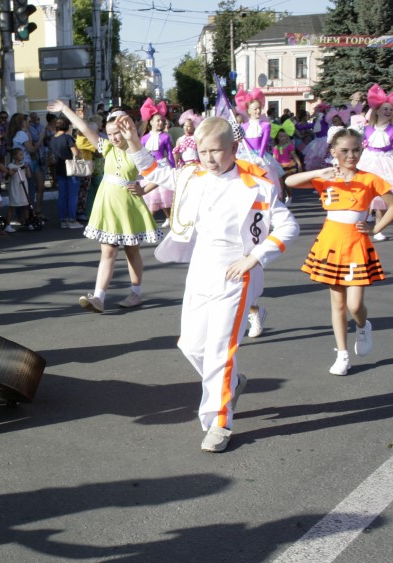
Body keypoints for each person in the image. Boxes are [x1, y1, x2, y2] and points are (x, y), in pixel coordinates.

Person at [121, 115, 299, 453]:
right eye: (203, 152)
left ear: (233, 147)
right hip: (201, 269)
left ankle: (220, 421)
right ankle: (231, 382)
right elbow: (155, 171)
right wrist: (133, 141)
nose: (209, 158)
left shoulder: (257, 185)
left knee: (220, 350)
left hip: (236, 273)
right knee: (190, 345)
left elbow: (289, 226)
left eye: (216, 151)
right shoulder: (193, 176)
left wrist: (253, 258)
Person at [285, 128, 393, 375]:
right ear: (333, 152)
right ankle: (342, 354)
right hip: (331, 244)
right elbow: (289, 181)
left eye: (356, 150)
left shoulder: (369, 179)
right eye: (344, 150)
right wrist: (319, 172)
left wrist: (375, 227)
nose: (351, 155)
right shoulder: (327, 177)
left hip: (357, 245)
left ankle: (363, 326)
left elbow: (392, 205)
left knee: (355, 305)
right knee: (338, 303)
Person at [47, 101, 163, 312]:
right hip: (108, 205)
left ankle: (135, 294)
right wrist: (64, 109)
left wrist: (144, 189)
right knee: (107, 252)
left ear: (126, 130)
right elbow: (83, 128)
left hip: (128, 206)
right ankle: (99, 298)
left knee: (132, 251)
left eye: (117, 133)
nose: (114, 137)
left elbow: (161, 172)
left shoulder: (137, 151)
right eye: (110, 134)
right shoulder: (107, 147)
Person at [356, 84, 393, 242]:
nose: (388, 111)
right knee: (364, 195)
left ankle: (378, 228)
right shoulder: (367, 129)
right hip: (369, 162)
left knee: (383, 197)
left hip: (387, 163)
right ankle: (358, 226)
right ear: (376, 111)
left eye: (390, 109)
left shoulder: (392, 129)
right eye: (385, 109)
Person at [139, 98, 175, 227]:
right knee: (152, 197)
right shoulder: (144, 138)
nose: (161, 122)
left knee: (164, 197)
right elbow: (141, 154)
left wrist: (173, 168)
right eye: (158, 120)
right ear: (151, 122)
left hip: (163, 166)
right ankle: (148, 222)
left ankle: (169, 219)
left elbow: (170, 153)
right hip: (150, 167)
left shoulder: (166, 137)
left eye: (162, 120)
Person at [47, 117, 83, 229]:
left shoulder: (53, 139)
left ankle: (63, 219)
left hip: (59, 168)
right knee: (73, 196)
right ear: (67, 126)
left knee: (62, 196)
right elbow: (76, 153)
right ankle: (72, 219)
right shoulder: (68, 138)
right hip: (71, 169)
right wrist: (81, 153)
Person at [272, 128, 302, 206]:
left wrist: (299, 164)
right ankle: (281, 200)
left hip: (288, 166)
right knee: (280, 184)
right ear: (278, 137)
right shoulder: (275, 147)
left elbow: (294, 155)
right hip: (279, 166)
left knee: (287, 183)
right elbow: (274, 158)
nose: (283, 138)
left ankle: (289, 196)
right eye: (281, 136)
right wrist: (273, 166)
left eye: (285, 136)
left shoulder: (289, 146)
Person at [6, 148, 30, 229]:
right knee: (12, 206)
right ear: (14, 156)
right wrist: (12, 172)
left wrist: (27, 168)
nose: (22, 156)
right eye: (20, 154)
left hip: (23, 188)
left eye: (22, 154)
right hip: (15, 188)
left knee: (25, 206)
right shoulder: (10, 166)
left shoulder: (23, 165)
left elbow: (29, 176)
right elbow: (7, 177)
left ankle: (27, 222)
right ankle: (8, 225)